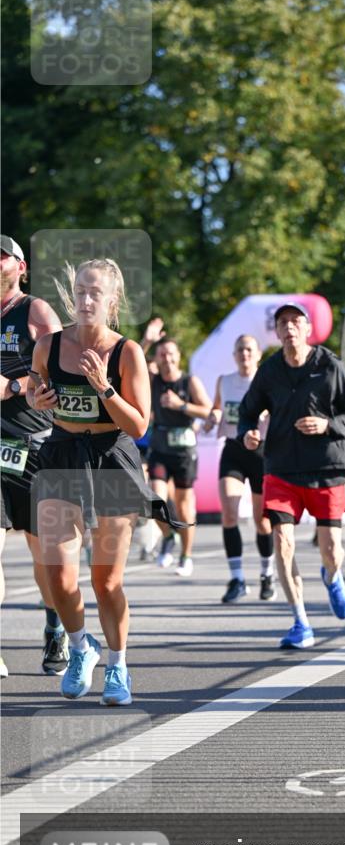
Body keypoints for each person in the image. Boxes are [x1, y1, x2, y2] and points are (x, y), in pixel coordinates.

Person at [28, 258, 180, 705]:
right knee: (57, 575)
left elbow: (138, 426)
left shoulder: (127, 352)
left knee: (107, 582)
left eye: (95, 293)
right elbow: (38, 394)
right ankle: (80, 648)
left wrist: (104, 388)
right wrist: (40, 398)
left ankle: (117, 664)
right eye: (79, 291)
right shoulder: (48, 347)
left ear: (112, 300)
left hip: (111, 460)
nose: (85, 300)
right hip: (60, 457)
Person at [238, 301, 345, 648]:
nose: (289, 327)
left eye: (295, 321)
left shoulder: (329, 365)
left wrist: (328, 424)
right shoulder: (270, 371)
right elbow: (248, 414)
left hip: (326, 467)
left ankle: (333, 576)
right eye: (282, 322)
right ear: (276, 333)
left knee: (331, 549)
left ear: (308, 328)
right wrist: (248, 434)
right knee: (282, 542)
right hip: (282, 468)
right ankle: (300, 622)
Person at [0, 234, 69, 677]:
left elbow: (64, 367)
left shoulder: (36, 311)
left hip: (31, 446)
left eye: (1, 255)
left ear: (20, 267)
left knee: (42, 553)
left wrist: (10, 386)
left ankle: (55, 628)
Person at [203, 334, 276, 603]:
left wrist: (269, 418)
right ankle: (237, 579)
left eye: (249, 349)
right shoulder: (225, 381)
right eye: (240, 350)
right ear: (234, 355)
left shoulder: (267, 382)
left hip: (260, 452)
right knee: (229, 513)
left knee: (262, 520)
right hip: (233, 450)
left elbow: (279, 414)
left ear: (257, 355)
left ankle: (267, 574)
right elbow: (218, 408)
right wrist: (213, 418)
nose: (244, 354)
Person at [147, 336, 211, 577]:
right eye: (162, 354)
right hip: (160, 447)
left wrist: (180, 405)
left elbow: (207, 411)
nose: (167, 358)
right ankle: (168, 535)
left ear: (178, 356)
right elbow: (132, 365)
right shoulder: (153, 381)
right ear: (157, 359)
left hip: (184, 451)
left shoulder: (189, 382)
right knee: (154, 501)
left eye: (171, 353)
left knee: (184, 508)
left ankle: (186, 556)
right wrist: (147, 340)